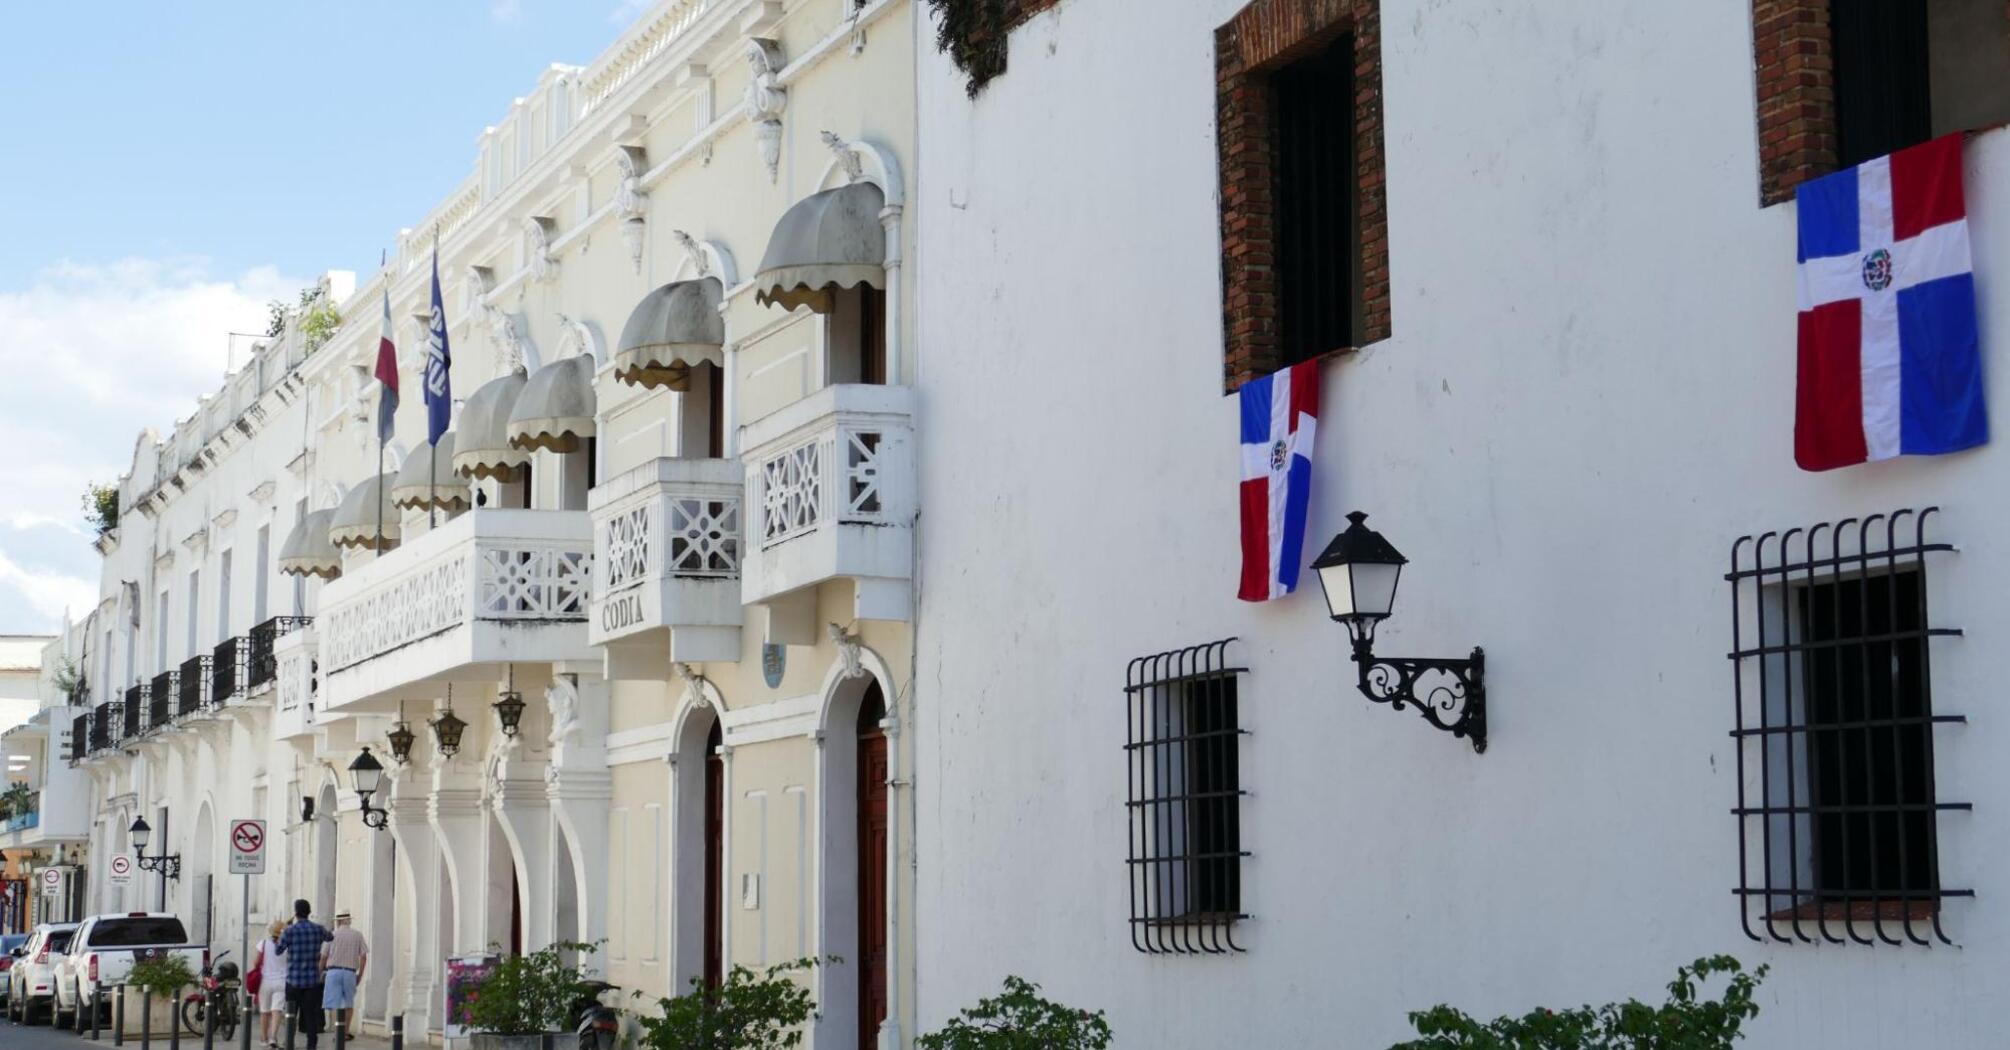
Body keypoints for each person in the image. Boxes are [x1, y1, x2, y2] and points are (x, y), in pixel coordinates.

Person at [275, 900, 333, 1050]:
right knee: (310, 1016)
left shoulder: (290, 931)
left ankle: (289, 1043)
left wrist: (284, 930)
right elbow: (330, 937)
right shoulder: (317, 929)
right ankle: (311, 1045)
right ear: (309, 912)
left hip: (293, 980)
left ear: (296, 912)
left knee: (291, 1015)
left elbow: (278, 950)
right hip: (312, 981)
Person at [321, 911, 369, 1033]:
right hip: (350, 972)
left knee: (335, 1003)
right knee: (349, 1003)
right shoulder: (357, 935)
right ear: (349, 921)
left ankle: (337, 1029)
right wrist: (360, 975)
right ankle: (346, 1032)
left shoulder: (331, 935)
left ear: (338, 921)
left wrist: (319, 971)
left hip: (333, 972)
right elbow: (363, 957)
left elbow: (324, 956)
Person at [253, 919, 289, 1048]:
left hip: (266, 981)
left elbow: (256, 962)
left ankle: (264, 1038)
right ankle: (273, 1037)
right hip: (281, 981)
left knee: (264, 1011)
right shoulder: (287, 945)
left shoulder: (262, 943)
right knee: (277, 1010)